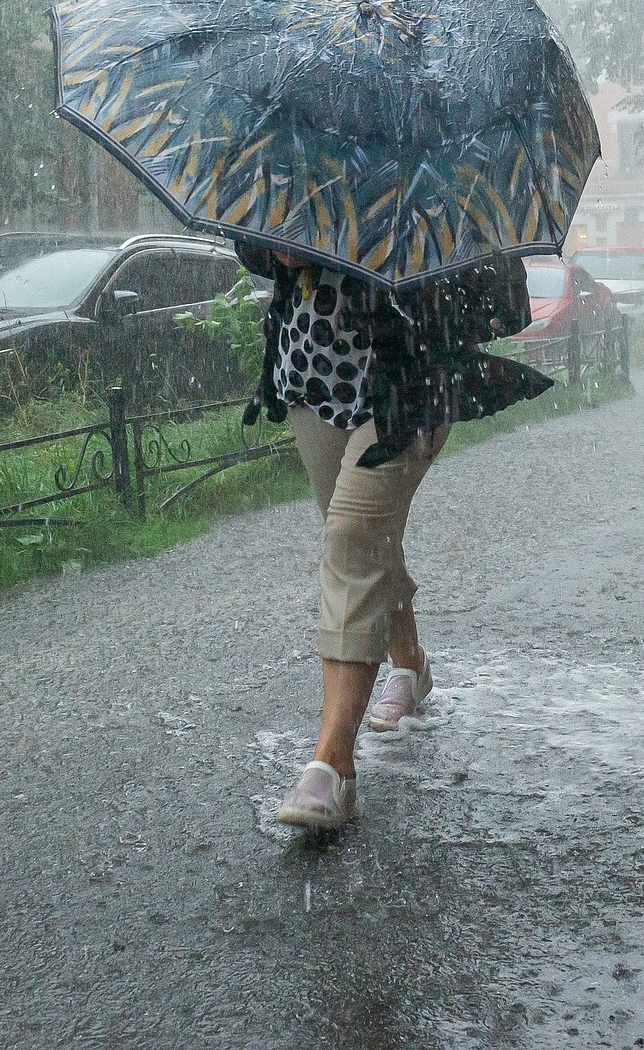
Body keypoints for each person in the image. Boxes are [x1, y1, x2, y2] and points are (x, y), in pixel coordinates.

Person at [235, 242, 551, 831]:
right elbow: (250, 239)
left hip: (407, 381)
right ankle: (409, 663)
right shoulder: (300, 155)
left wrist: (362, 246)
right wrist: (275, 252)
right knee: (365, 541)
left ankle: (332, 766)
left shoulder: (423, 161)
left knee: (353, 539)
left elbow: (458, 264)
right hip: (309, 373)